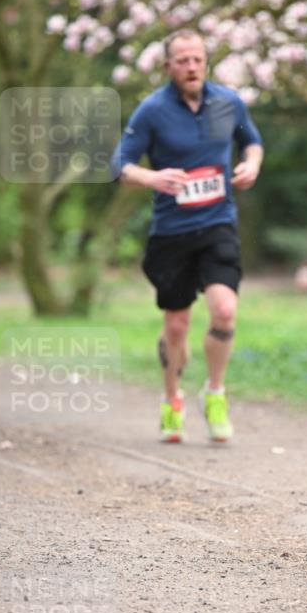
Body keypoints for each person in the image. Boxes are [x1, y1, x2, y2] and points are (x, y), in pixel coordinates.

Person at [111, 29, 263, 443]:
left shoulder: (227, 103)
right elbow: (119, 165)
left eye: (197, 59)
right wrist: (152, 177)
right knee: (176, 325)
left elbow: (252, 143)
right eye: (182, 60)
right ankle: (171, 399)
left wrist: (252, 165)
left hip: (217, 225)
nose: (191, 66)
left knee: (225, 311)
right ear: (168, 67)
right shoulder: (152, 111)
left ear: (206, 62)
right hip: (172, 232)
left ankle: (214, 392)